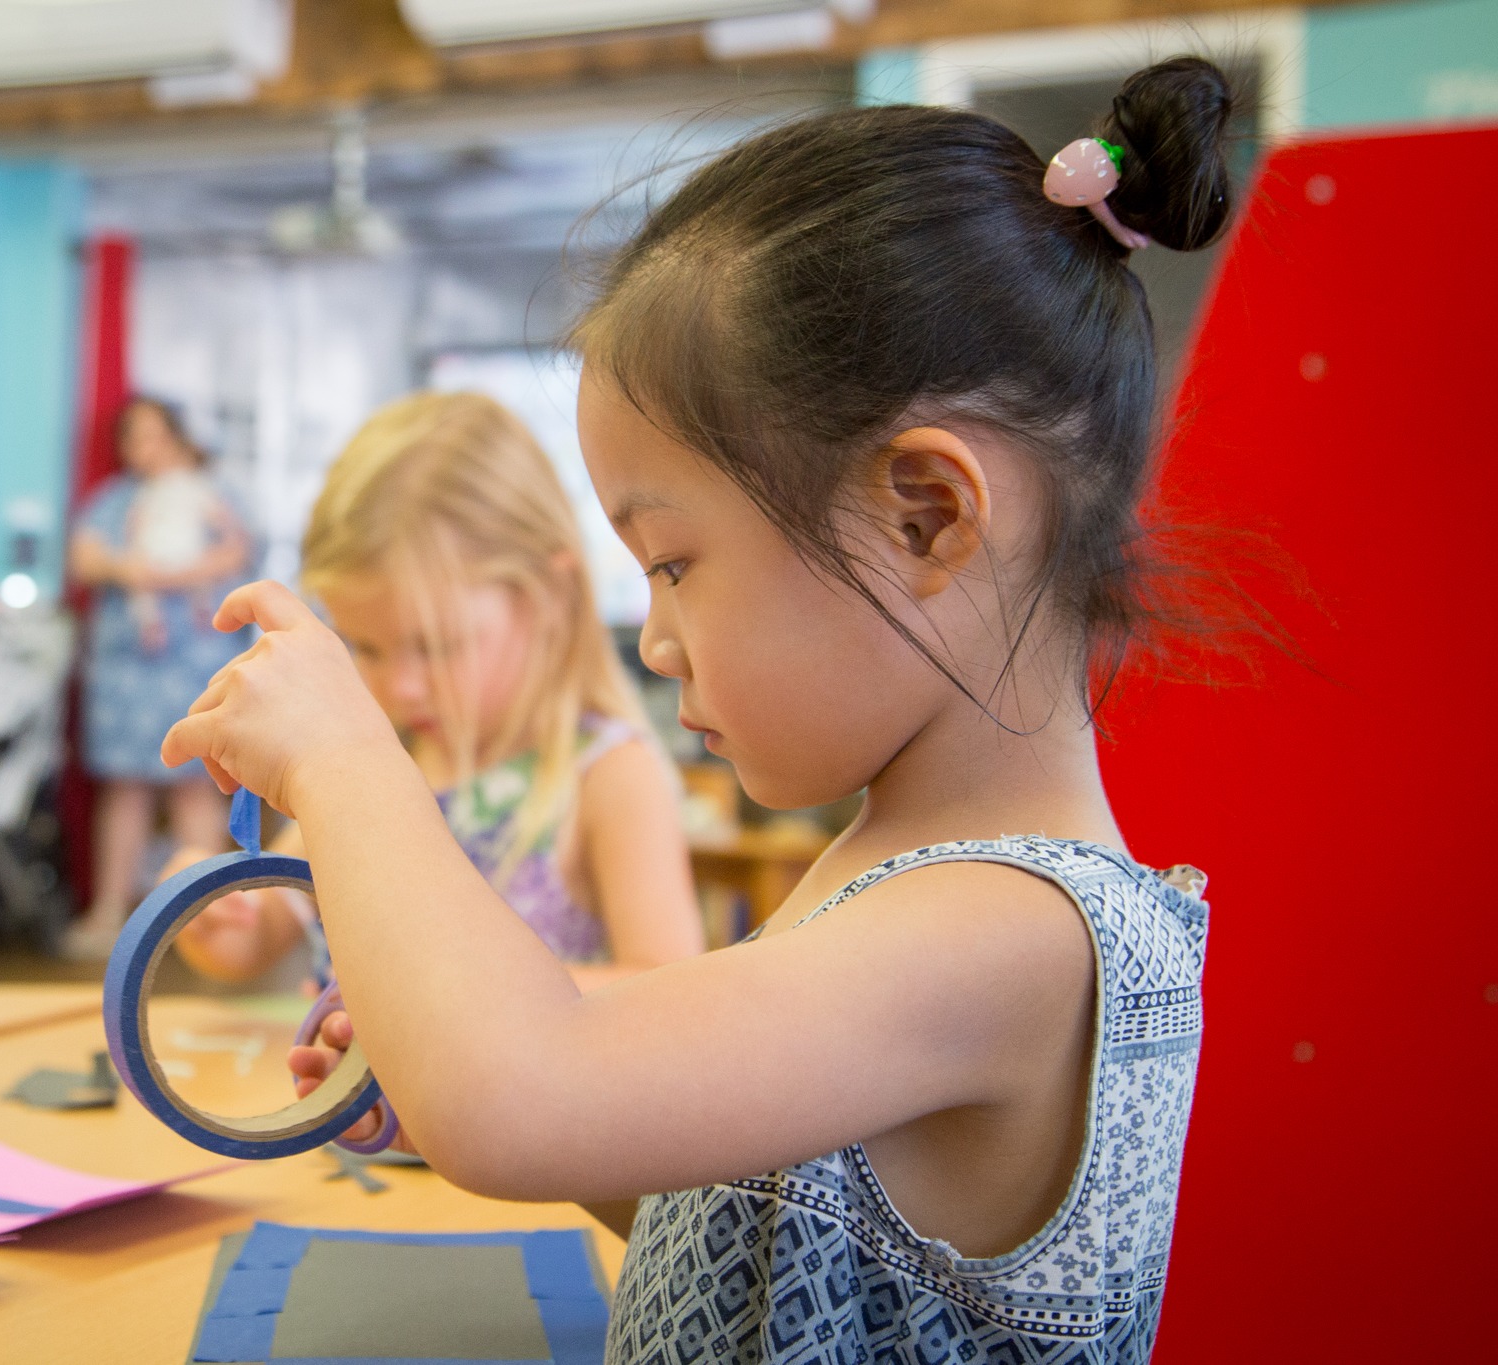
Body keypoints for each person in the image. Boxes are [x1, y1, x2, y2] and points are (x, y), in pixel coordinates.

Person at [164, 57, 1233, 1363]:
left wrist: (342, 756)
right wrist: (448, 1064)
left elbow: (529, 1094)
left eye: (673, 563)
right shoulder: (891, 870)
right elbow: (753, 1221)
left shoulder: (1012, 930)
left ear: (929, 517)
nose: (659, 637)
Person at [170, 392, 703, 992]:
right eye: (366, 648)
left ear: (548, 595)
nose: (400, 685)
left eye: (438, 646)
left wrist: (450, 1004)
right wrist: (218, 917)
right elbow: (263, 935)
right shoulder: (374, 766)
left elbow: (669, 990)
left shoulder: (607, 776)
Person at [61, 397, 252, 960]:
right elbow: (85, 559)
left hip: (198, 659)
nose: (144, 449)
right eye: (132, 439)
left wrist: (177, 575)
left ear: (177, 435)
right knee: (125, 789)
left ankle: (206, 921)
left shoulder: (215, 492)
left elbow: (239, 551)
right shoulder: (114, 501)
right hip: (126, 666)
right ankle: (109, 915)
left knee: (200, 784)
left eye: (153, 436)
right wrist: (133, 570)